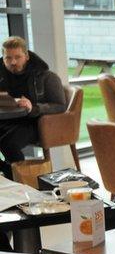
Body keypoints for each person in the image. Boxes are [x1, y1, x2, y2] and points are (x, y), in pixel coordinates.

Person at [0, 37, 67, 179]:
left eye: (18, 57)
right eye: (8, 58)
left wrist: (34, 108)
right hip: (5, 120)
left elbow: (60, 105)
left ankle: (20, 181)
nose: (13, 62)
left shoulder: (46, 76)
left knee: (8, 144)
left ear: (27, 56)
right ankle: (10, 172)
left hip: (34, 122)